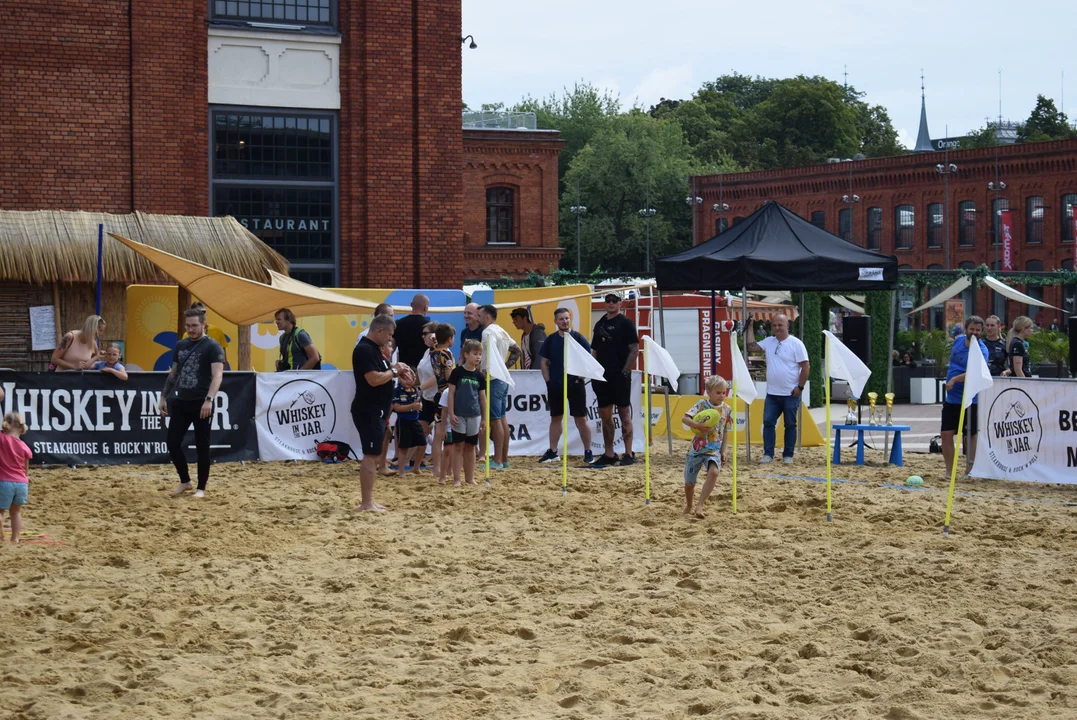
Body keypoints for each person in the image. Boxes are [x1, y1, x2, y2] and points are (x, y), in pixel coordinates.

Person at [159, 309, 225, 499]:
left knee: (202, 445)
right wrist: (164, 396)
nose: (190, 329)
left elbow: (218, 375)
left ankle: (201, 488)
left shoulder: (213, 346)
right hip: (181, 400)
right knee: (172, 441)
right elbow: (173, 373)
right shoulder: (181, 345)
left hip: (201, 401)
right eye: (187, 326)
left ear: (204, 324)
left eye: (194, 325)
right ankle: (185, 480)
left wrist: (209, 400)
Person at [351, 315, 414, 511]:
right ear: (379, 331)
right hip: (368, 409)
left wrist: (398, 369)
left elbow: (384, 374)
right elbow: (374, 379)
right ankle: (366, 502)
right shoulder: (364, 350)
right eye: (388, 334)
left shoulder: (374, 350)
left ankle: (369, 500)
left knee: (375, 454)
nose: (390, 339)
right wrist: (394, 372)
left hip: (376, 409)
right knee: (370, 455)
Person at [746, 313, 809, 465]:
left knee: (790, 425)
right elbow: (751, 346)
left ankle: (788, 455)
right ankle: (768, 454)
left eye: (780, 325)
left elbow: (805, 366)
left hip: (790, 393)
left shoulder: (796, 344)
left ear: (787, 325)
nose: (777, 328)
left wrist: (800, 387)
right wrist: (750, 326)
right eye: (774, 325)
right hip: (772, 393)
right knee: (768, 423)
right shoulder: (769, 341)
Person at [537, 307, 594, 464]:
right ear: (555, 321)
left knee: (581, 419)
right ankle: (553, 452)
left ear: (571, 319)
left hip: (575, 386)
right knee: (556, 418)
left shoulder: (579, 338)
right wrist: (548, 381)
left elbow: (588, 361)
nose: (564, 321)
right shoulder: (551, 339)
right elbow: (544, 361)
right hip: (555, 385)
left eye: (567, 318)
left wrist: (579, 379)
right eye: (561, 319)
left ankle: (588, 452)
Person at [590, 293, 639, 467]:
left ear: (620, 303)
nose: (610, 303)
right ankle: (609, 453)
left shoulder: (625, 323)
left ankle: (628, 453)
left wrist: (625, 372)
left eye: (614, 301)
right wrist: (594, 371)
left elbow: (634, 349)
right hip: (602, 376)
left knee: (624, 413)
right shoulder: (600, 324)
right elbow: (594, 351)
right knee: (605, 416)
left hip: (619, 375)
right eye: (608, 301)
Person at [941, 315, 989, 480]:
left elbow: (976, 373)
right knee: (946, 434)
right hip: (952, 397)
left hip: (971, 398)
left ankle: (969, 469)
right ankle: (949, 471)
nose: (974, 333)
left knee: (970, 435)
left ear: (981, 332)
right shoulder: (959, 341)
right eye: (972, 329)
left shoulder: (982, 350)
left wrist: (954, 379)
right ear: (966, 329)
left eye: (977, 330)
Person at [681, 376, 733, 519]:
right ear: (709, 392)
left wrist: (724, 451)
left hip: (713, 450)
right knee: (689, 484)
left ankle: (700, 505)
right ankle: (689, 504)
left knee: (714, 472)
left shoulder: (727, 410)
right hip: (696, 450)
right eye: (718, 392)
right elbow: (685, 418)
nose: (722, 396)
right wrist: (697, 426)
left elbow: (726, 431)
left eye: (724, 392)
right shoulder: (701, 404)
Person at [478, 305, 522, 470]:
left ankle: (497, 461)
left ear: (487, 316)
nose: (477, 318)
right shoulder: (501, 331)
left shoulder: (487, 332)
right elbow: (517, 351)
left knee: (496, 420)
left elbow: (487, 359)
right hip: (501, 378)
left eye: (479, 315)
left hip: (493, 378)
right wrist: (504, 367)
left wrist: (491, 372)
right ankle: (503, 459)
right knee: (502, 419)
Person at [446, 339, 486, 486]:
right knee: (458, 446)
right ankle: (457, 478)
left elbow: (483, 398)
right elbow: (450, 394)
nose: (478, 357)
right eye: (475, 354)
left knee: (470, 447)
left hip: (474, 415)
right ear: (466, 354)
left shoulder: (479, 376)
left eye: (480, 354)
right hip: (459, 414)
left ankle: (470, 478)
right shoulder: (457, 372)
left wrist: (484, 418)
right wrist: (451, 413)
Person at [419, 323, 456, 481]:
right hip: (445, 393)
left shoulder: (432, 352)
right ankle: (447, 470)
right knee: (445, 433)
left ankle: (437, 470)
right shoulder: (447, 355)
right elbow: (448, 376)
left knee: (437, 434)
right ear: (449, 339)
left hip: (436, 395)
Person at [0, 412, 32, 543]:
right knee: (16, 512)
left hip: (4, 482)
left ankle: (1, 537)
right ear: (21, 428)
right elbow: (26, 468)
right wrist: (26, 477)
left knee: (0, 511)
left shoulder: (1, 439)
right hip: (21, 483)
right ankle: (15, 539)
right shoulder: (25, 446)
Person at [392, 367, 424, 479]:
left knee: (423, 443)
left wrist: (419, 406)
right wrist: (412, 406)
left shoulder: (415, 390)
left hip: (414, 420)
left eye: (410, 377)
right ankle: (402, 471)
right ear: (400, 378)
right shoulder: (397, 390)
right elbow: (396, 408)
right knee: (403, 447)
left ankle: (416, 467)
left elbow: (418, 404)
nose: (407, 380)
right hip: (403, 421)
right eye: (404, 377)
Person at [394, 294, 430, 369]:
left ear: (411, 304)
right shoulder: (429, 326)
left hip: (404, 371)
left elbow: (392, 347)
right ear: (426, 308)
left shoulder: (398, 324)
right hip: (423, 370)